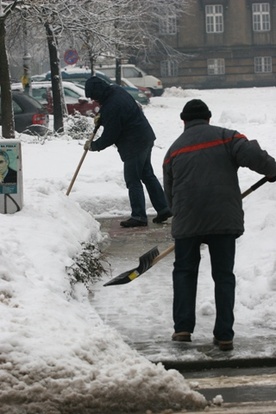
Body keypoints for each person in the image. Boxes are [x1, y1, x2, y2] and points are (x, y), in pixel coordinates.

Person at [163, 99, 276, 351]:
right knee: (223, 275)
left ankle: (182, 328)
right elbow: (254, 155)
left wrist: (180, 215)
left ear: (183, 121)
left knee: (184, 272)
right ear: (208, 118)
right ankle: (224, 334)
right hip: (223, 219)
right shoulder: (227, 138)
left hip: (187, 220)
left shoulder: (173, 150)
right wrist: (272, 170)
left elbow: (169, 194)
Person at [84, 76, 171, 228]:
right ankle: (163, 208)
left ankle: (138, 216)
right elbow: (117, 114)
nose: (93, 100)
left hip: (134, 144)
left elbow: (111, 134)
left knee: (133, 179)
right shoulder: (116, 90)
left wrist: (93, 146)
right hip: (144, 137)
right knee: (147, 175)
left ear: (98, 92)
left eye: (93, 96)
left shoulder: (112, 105)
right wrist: (101, 117)